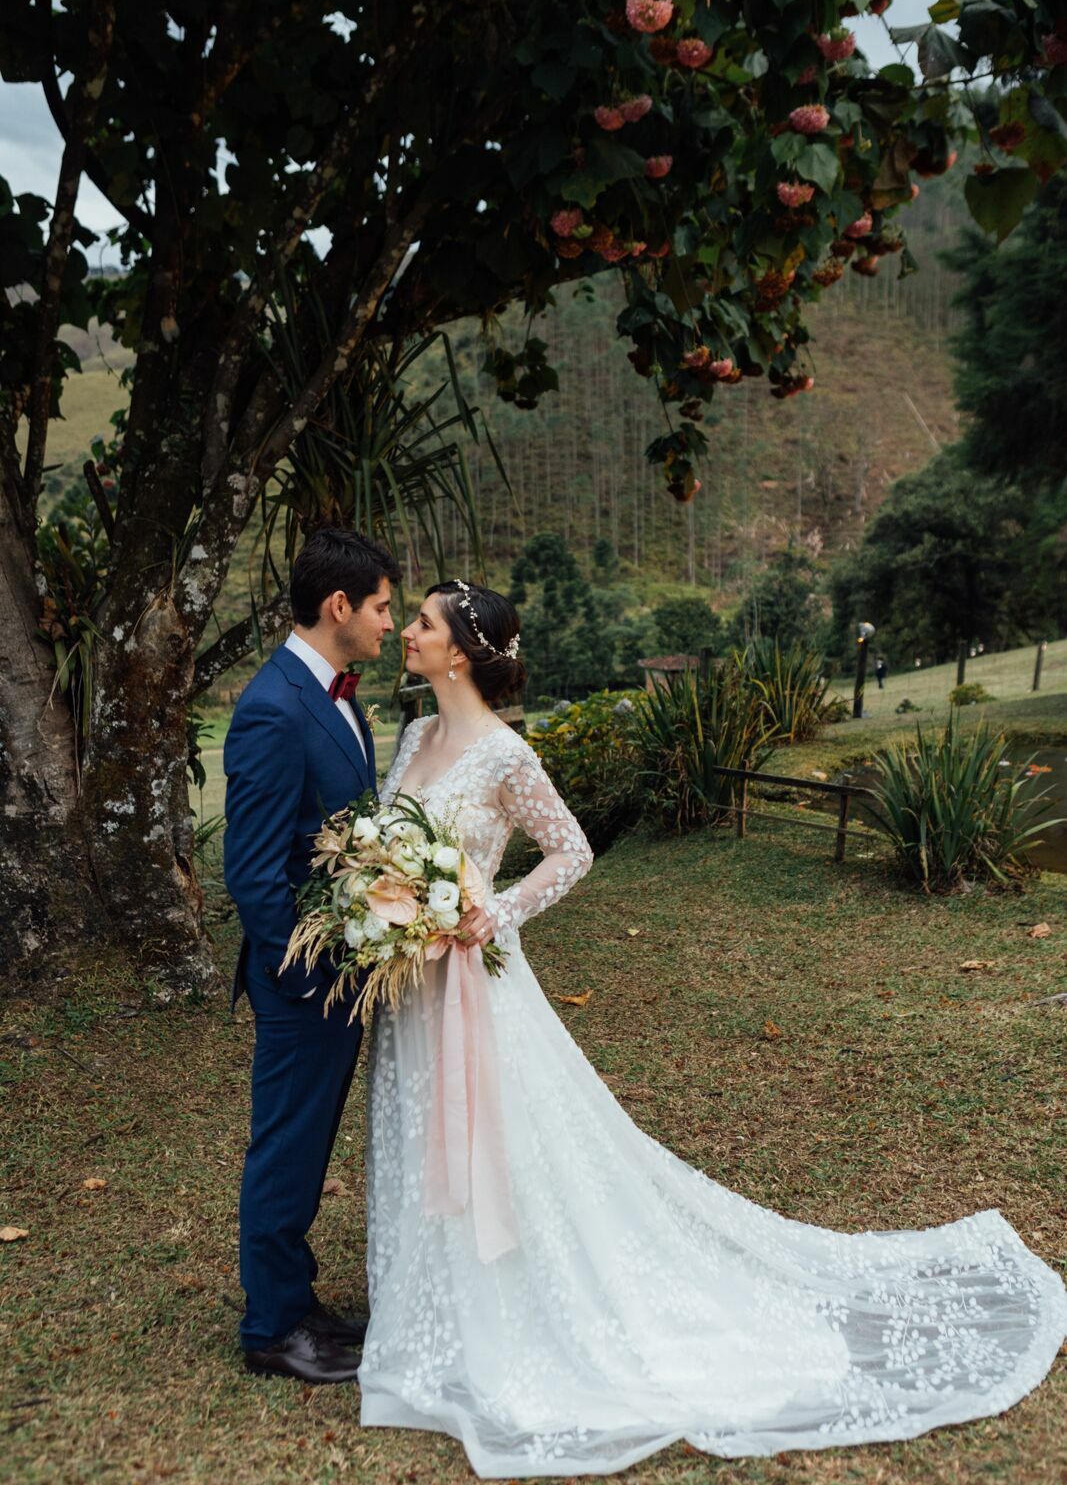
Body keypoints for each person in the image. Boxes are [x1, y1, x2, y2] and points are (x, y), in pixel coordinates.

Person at [354, 578, 1067, 1479]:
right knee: (422, 1127)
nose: (408, 634)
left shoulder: (503, 755)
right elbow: (393, 846)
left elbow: (571, 849)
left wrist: (493, 913)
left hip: (475, 982)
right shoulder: (415, 735)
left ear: (459, 650)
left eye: (420, 623)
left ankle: (516, 1305)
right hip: (408, 986)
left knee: (506, 1140)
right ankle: (432, 1310)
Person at [223, 527, 398, 1382]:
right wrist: (315, 975)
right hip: (303, 983)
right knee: (287, 1147)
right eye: (381, 607)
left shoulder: (334, 694)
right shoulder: (272, 705)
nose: (389, 623)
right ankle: (272, 1330)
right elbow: (254, 877)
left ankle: (298, 1300)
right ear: (339, 607)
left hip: (343, 977)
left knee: (309, 1143)